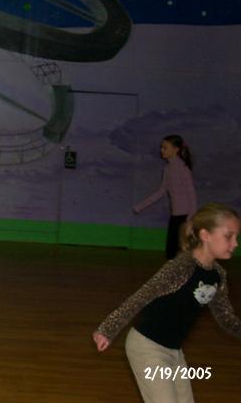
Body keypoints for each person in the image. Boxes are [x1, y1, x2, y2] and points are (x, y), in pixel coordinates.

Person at [93, 203, 241, 403]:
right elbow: (141, 297)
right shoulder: (182, 267)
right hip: (147, 348)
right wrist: (108, 329)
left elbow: (226, 318)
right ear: (205, 235)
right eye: (229, 236)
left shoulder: (217, 275)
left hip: (174, 352)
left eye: (236, 237)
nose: (235, 243)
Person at [134, 135, 197, 259]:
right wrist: (140, 206)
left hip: (185, 217)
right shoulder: (168, 169)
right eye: (161, 147)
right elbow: (161, 191)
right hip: (175, 216)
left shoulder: (183, 168)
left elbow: (192, 194)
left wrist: (190, 219)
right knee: (171, 251)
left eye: (165, 147)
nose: (161, 150)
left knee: (180, 250)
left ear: (176, 149)